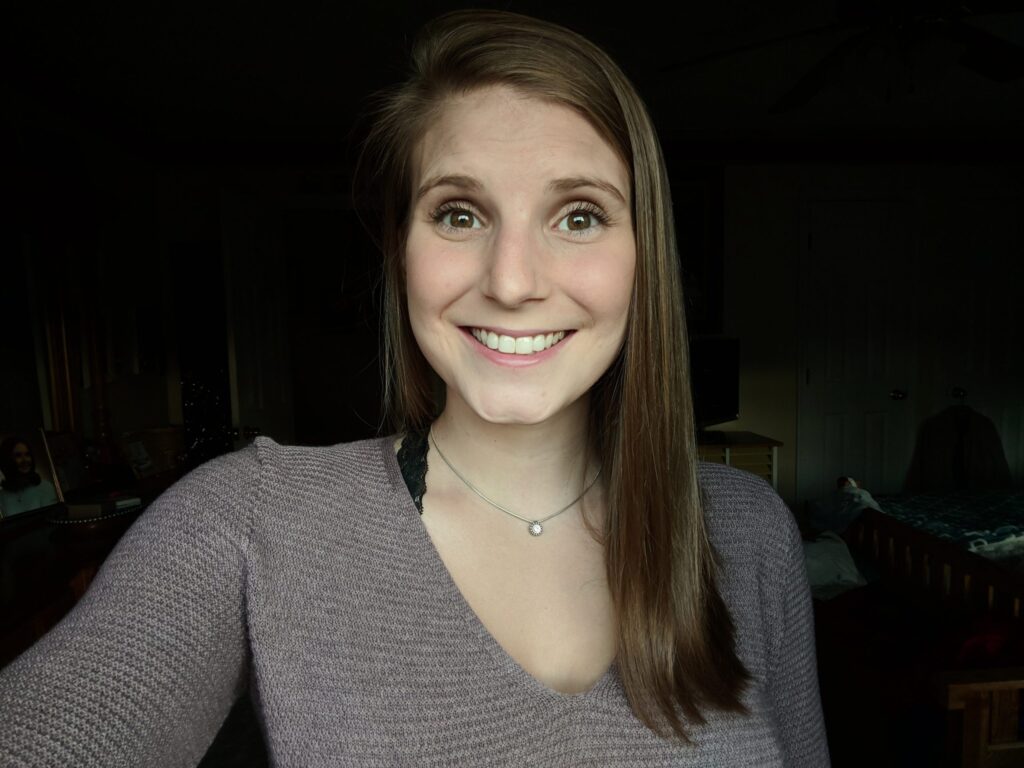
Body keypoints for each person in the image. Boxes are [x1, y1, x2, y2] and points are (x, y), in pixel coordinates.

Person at [0, 10, 829, 766]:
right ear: (401, 250)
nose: (512, 282)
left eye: (578, 215)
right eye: (459, 214)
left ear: (646, 255)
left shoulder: (750, 536)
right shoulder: (247, 525)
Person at [0, 436, 59, 519]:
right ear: (7, 460)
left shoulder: (45, 488)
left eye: (27, 455)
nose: (25, 460)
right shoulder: (2, 496)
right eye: (18, 456)